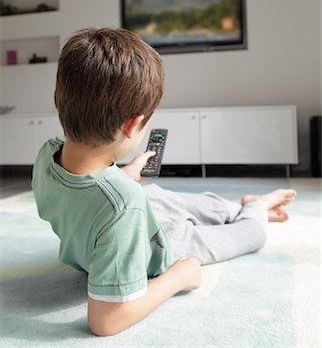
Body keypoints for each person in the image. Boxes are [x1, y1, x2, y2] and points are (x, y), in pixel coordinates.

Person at [32, 27, 296, 337]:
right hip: (161, 249)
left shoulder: (49, 150)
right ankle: (256, 206)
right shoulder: (123, 203)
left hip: (117, 223)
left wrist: (124, 175)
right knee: (251, 234)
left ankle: (233, 206)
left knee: (162, 196)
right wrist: (178, 277)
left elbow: (86, 191)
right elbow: (105, 320)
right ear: (134, 125)